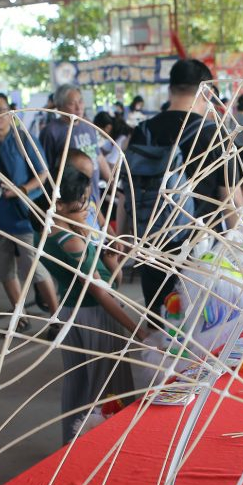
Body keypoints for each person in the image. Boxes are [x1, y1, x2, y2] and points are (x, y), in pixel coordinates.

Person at [41, 165, 148, 442]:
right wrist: (138, 330)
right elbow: (102, 293)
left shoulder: (49, 233)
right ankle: (105, 446)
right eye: (79, 206)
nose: (87, 210)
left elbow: (107, 276)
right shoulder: (71, 242)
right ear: (59, 205)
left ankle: (72, 442)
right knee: (108, 386)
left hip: (70, 313)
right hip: (94, 316)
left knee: (77, 384)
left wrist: (103, 250)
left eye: (88, 201)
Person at [130, 58, 243, 313]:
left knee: (160, 327)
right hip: (201, 251)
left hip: (152, 246)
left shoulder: (142, 131)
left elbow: (129, 190)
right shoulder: (215, 134)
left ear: (170, 90)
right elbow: (230, 203)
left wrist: (125, 238)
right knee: (202, 329)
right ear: (207, 92)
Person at [0, 91, 60, 323]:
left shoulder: (24, 139)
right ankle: (20, 314)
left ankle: (56, 317)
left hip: (24, 215)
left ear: (10, 112)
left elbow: (43, 173)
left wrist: (21, 190)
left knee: (37, 268)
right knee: (5, 270)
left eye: (1, 110)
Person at [41, 84, 112, 204]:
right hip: (71, 202)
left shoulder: (88, 126)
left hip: (94, 196)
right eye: (71, 103)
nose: (78, 107)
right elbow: (46, 170)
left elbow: (98, 157)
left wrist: (112, 182)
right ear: (59, 107)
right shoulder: (51, 131)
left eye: (80, 101)